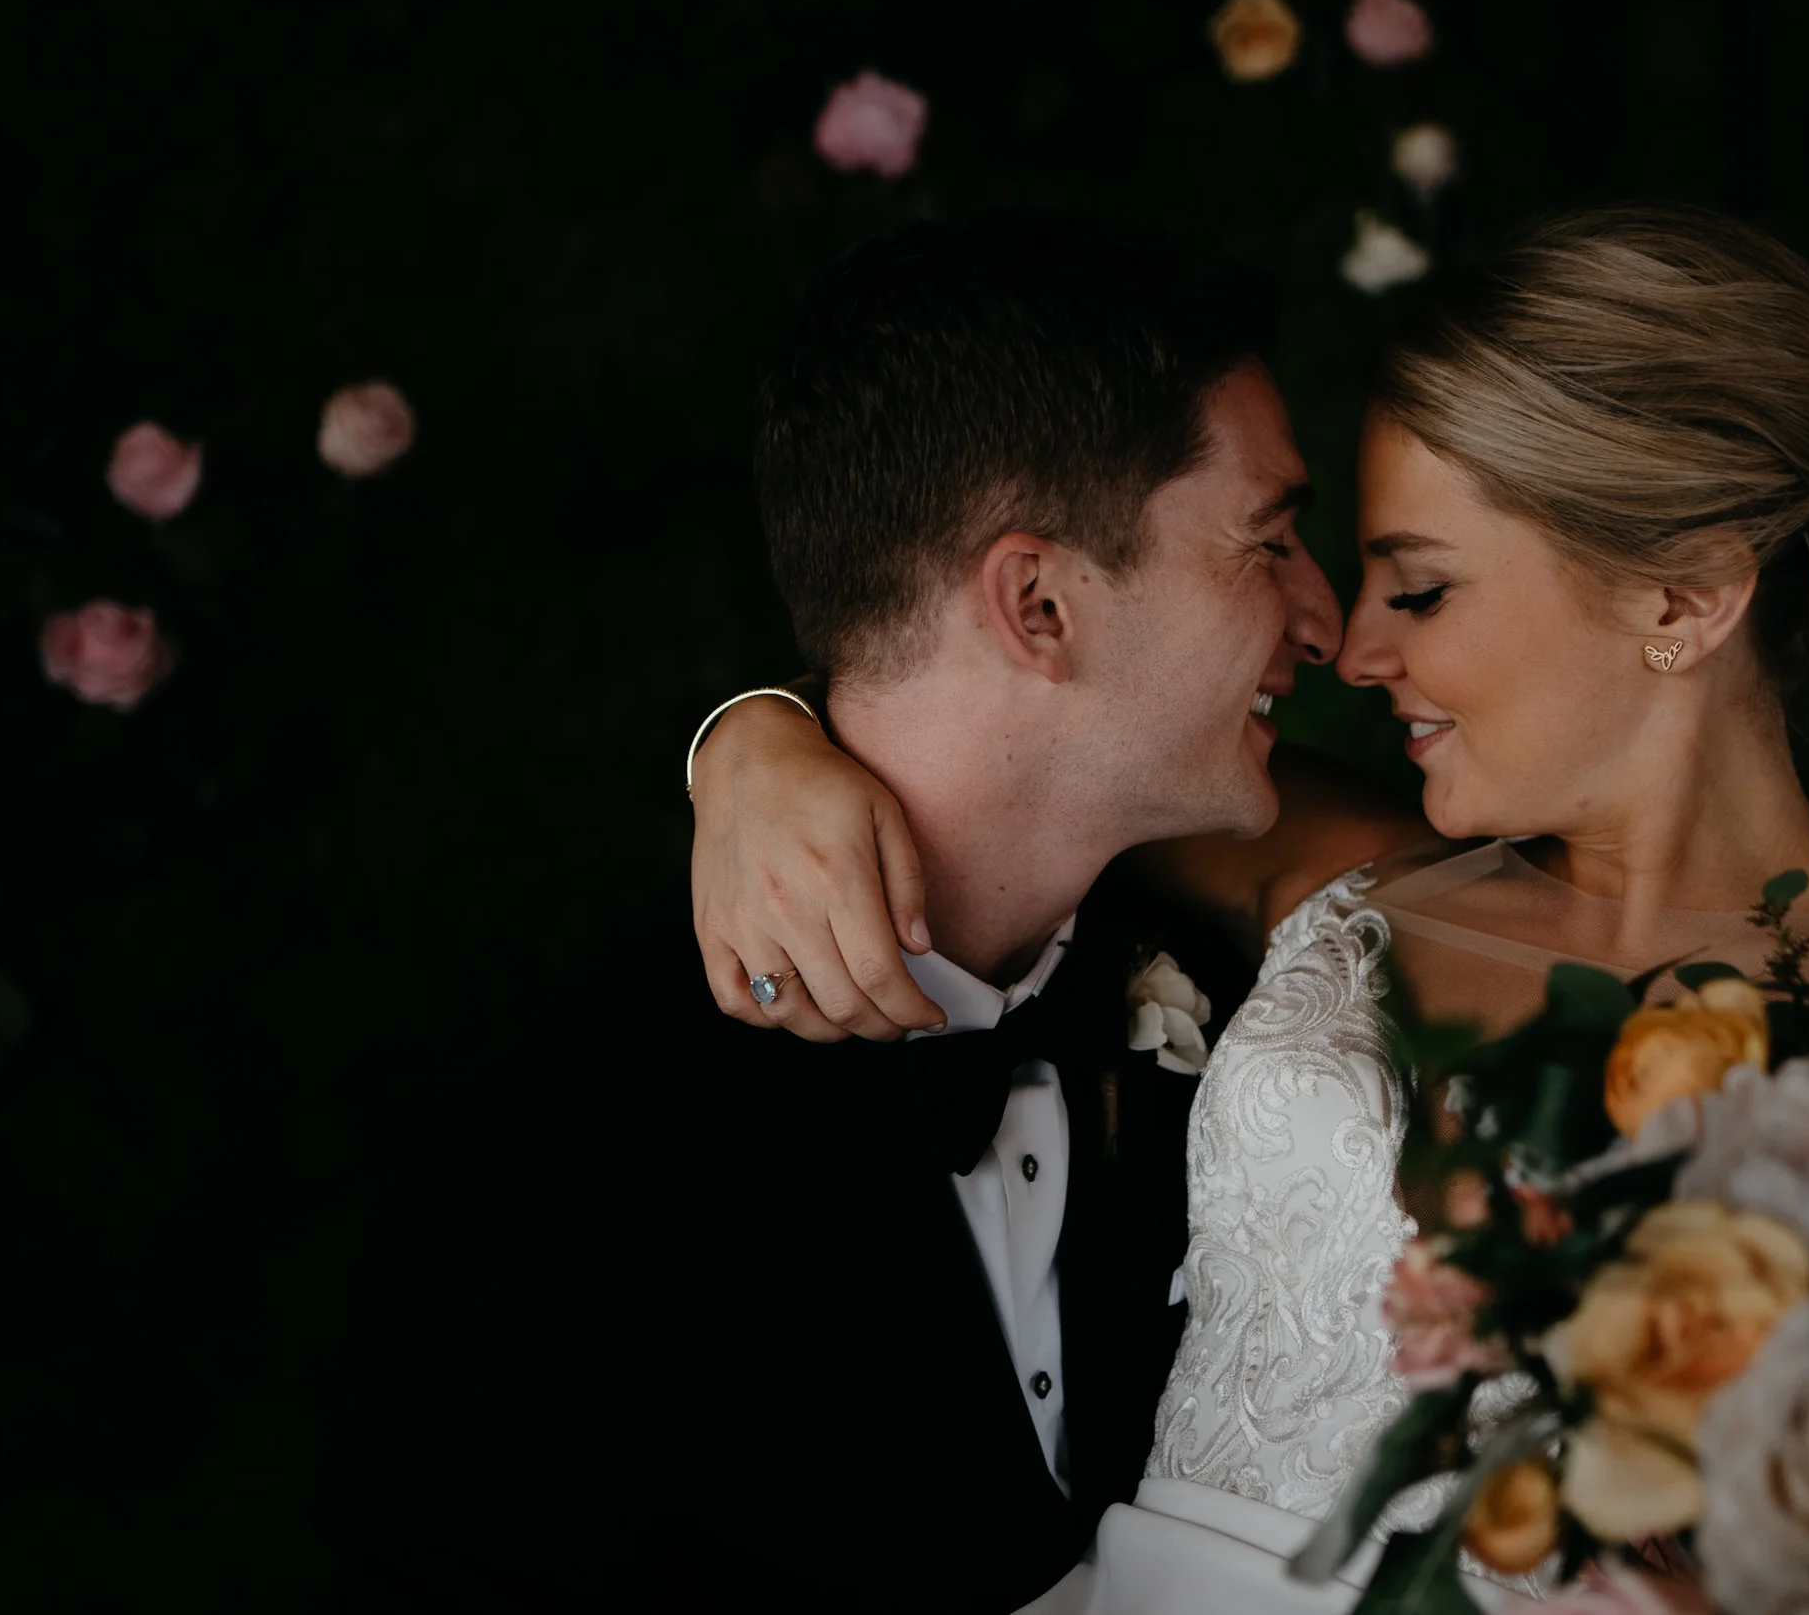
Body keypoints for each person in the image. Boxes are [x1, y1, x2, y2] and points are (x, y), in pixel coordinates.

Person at [686, 204, 1809, 1611]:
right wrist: (748, 742)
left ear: (1684, 596)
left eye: (1425, 587)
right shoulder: (1341, 865)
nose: (1355, 644)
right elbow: (1003, 747)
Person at [328, 209, 1349, 1613]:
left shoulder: (1252, 1006)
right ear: (1037, 602)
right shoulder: (560, 1153)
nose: (1327, 619)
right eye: (1270, 541)